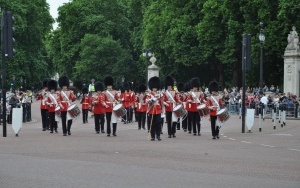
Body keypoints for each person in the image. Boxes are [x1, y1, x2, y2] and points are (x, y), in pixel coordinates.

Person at [146, 76, 163, 141]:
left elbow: (161, 102)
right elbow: (147, 101)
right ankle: (152, 136)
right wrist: (152, 99)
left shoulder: (160, 94)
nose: (155, 89)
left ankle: (158, 135)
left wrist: (162, 110)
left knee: (158, 123)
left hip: (158, 110)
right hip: (151, 110)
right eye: (153, 88)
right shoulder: (149, 94)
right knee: (152, 123)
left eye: (155, 88)